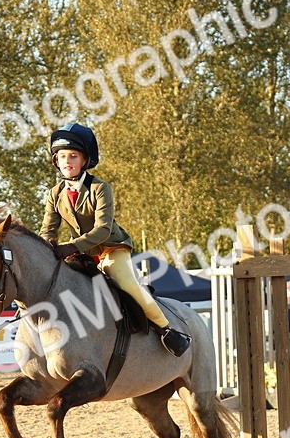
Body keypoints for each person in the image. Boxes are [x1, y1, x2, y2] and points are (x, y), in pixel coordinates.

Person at [41, 122, 192, 357]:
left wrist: (71, 246)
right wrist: (46, 248)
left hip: (111, 248)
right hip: (80, 253)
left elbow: (103, 229)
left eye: (73, 156)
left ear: (84, 161)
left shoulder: (100, 188)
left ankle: (167, 330)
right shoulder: (54, 194)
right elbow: (48, 230)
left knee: (127, 284)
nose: (67, 161)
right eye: (62, 157)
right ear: (56, 161)